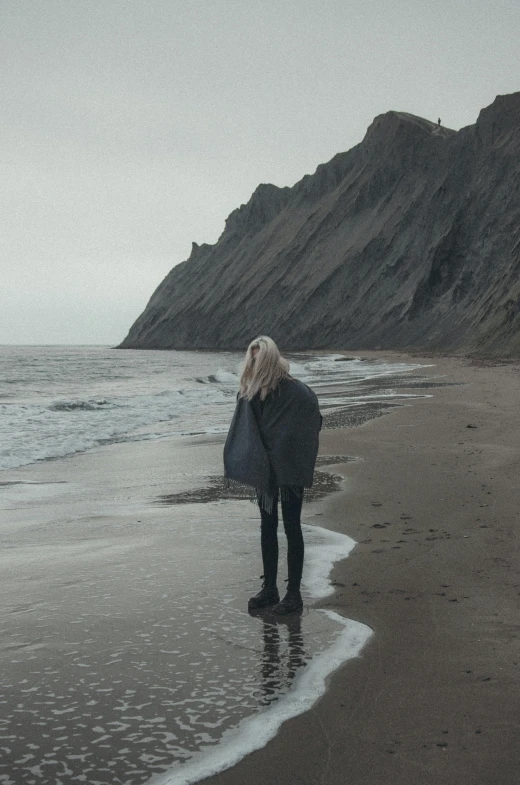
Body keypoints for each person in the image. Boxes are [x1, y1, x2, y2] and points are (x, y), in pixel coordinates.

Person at [224, 336, 322, 614]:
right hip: (264, 467)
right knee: (267, 526)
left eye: (259, 358)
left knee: (292, 526)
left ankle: (294, 595)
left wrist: (285, 454)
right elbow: (247, 428)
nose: (254, 363)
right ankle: (270, 588)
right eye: (251, 358)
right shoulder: (251, 391)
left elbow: (308, 426)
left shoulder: (296, 392)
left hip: (290, 467)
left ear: (270, 358)